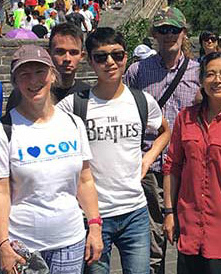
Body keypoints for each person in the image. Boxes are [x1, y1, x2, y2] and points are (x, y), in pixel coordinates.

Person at [57, 27, 170, 274]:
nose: (110, 62)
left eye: (117, 55)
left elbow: (165, 131)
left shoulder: (142, 101)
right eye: (101, 57)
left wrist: (148, 158)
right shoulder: (74, 105)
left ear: (126, 58)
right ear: (90, 61)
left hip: (135, 212)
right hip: (94, 215)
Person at [0, 45, 103, 274]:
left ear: (52, 74)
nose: (33, 81)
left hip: (69, 241)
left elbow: (85, 180)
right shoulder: (2, 130)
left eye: (40, 72)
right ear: (15, 81)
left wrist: (95, 227)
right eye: (24, 75)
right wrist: (3, 244)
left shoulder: (73, 123)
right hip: (21, 244)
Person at [163, 52, 221, 274]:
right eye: (211, 74)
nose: (218, 80)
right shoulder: (185, 118)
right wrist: (169, 211)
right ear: (201, 80)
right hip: (189, 225)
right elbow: (172, 166)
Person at [124, 7, 201, 274]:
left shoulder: (198, 72)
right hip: (151, 166)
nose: (168, 35)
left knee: (190, 239)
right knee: (152, 243)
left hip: (187, 167)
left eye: (174, 30)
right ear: (154, 34)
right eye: (162, 30)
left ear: (183, 33)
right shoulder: (137, 71)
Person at [5, 23, 91, 111]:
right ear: (49, 53)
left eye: (73, 52)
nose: (67, 59)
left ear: (82, 56)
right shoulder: (26, 94)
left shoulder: (87, 95)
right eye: (60, 52)